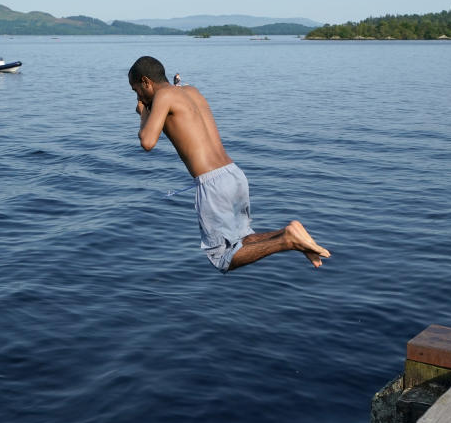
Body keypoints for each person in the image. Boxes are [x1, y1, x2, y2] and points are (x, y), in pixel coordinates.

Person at [127, 56, 330, 271]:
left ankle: (288, 240)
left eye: (136, 90)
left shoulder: (163, 96)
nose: (138, 96)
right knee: (242, 241)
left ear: (146, 82)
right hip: (233, 175)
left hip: (213, 183)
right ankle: (291, 234)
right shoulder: (190, 91)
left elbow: (147, 142)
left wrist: (143, 114)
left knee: (223, 257)